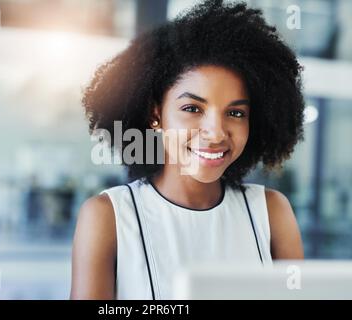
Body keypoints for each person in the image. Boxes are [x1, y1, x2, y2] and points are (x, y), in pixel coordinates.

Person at [71, 0, 304, 300]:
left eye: (235, 113)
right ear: (156, 115)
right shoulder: (109, 217)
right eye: (192, 108)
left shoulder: (271, 212)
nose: (216, 132)